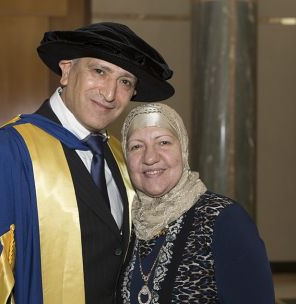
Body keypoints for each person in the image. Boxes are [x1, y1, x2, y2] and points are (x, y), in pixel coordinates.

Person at [0, 23, 175, 304]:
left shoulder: (122, 157)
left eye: (125, 81)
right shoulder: (3, 154)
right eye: (99, 71)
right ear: (67, 71)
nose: (109, 93)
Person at [118, 103, 275, 304]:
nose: (150, 157)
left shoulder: (224, 220)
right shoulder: (127, 224)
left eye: (164, 142)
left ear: (183, 148)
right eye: (136, 146)